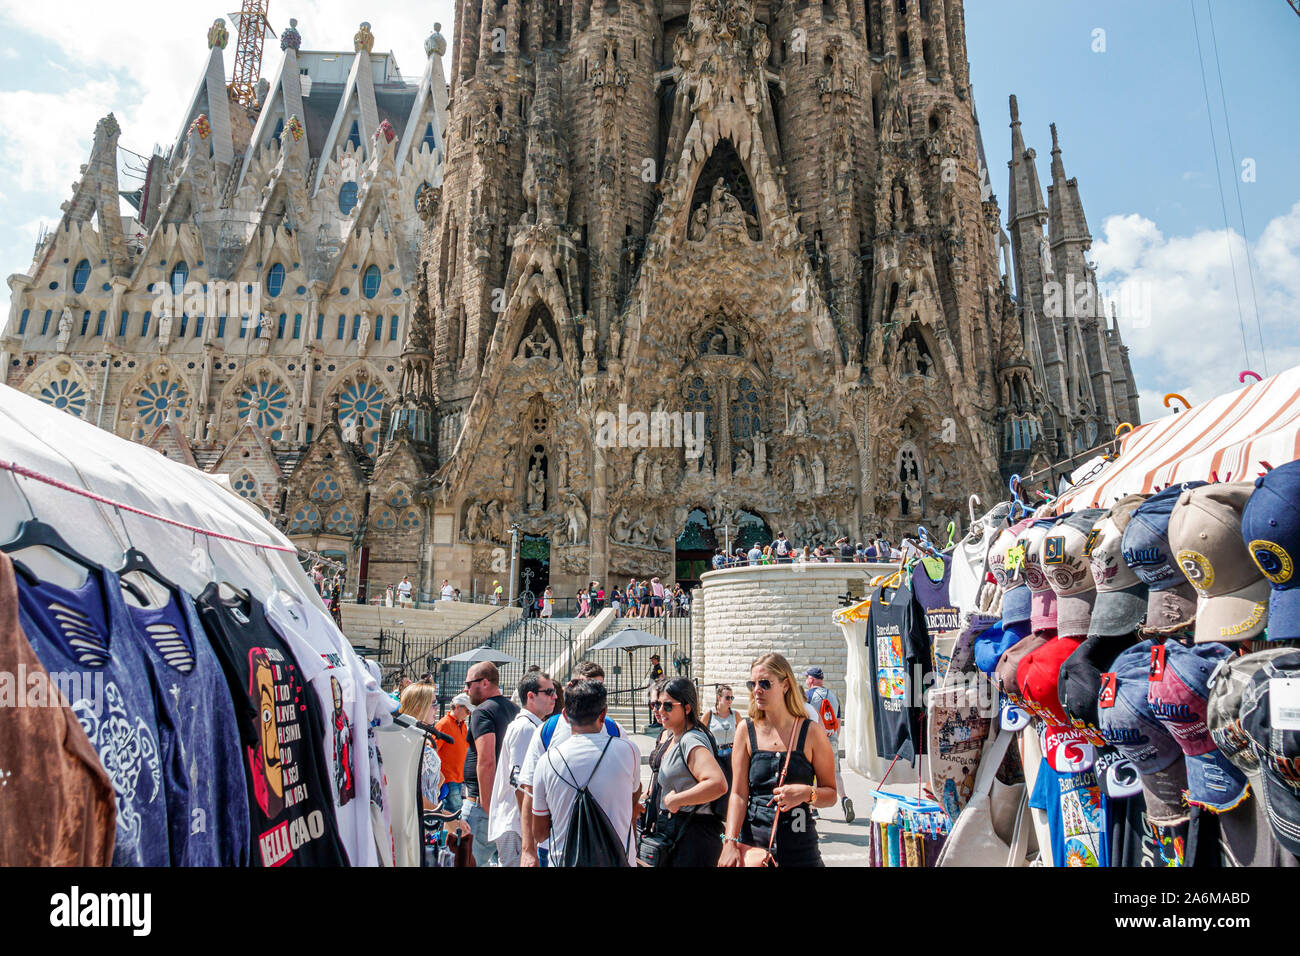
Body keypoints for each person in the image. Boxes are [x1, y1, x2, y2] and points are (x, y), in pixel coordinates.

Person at [720, 652, 837, 867]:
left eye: (765, 683)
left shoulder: (811, 732)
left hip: (800, 843)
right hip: (753, 844)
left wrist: (806, 793)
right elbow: (738, 793)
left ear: (785, 685)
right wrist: (729, 843)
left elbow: (830, 794)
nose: (757, 689)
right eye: (752, 684)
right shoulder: (746, 730)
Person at [518, 661, 624, 867]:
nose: (591, 694)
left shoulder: (616, 732)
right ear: (571, 688)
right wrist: (527, 850)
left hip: (609, 848)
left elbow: (630, 792)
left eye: (598, 688)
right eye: (585, 687)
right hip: (556, 848)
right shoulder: (548, 730)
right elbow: (529, 790)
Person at [531, 679, 641, 866]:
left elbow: (540, 833)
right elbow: (633, 796)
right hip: (618, 859)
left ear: (565, 715)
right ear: (604, 713)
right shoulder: (629, 751)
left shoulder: (547, 761)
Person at [646, 677, 728, 866]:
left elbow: (717, 783)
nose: (660, 711)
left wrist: (677, 800)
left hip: (693, 834)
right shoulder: (676, 737)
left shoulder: (691, 740)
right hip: (678, 829)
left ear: (687, 708)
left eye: (668, 706)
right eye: (658, 705)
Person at [488, 670, 556, 866]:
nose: (555, 696)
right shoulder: (525, 728)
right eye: (549, 692)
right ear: (531, 696)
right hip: (516, 826)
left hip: (519, 826)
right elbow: (520, 784)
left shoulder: (531, 727)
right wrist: (531, 837)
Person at [461, 661, 519, 866]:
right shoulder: (514, 709)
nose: (465, 689)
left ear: (484, 682)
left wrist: (488, 806)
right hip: (506, 804)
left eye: (469, 683)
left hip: (482, 805)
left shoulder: (482, 712)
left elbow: (486, 760)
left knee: (466, 861)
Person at [804, 666, 853, 822]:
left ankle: (814, 808)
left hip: (815, 739)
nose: (806, 681)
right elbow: (838, 721)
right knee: (836, 772)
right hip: (832, 739)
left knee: (813, 773)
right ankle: (844, 798)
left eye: (807, 678)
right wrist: (834, 739)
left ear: (811, 679)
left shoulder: (808, 696)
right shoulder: (833, 695)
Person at [434, 693, 472, 814]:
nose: (469, 714)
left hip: (458, 777)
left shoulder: (463, 725)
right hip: (448, 777)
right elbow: (432, 749)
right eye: (467, 710)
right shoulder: (444, 724)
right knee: (455, 812)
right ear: (457, 707)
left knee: (452, 811)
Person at [703, 684, 738, 762]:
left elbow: (744, 733)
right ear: (719, 698)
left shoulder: (735, 714)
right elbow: (699, 733)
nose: (730, 700)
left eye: (732, 698)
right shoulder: (709, 714)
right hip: (713, 754)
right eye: (727, 698)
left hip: (731, 755)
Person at [646, 653, 665, 728]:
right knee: (653, 705)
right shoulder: (655, 668)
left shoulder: (658, 668)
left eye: (653, 659)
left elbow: (661, 677)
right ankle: (655, 722)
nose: (652, 661)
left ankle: (658, 722)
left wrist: (656, 685)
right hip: (652, 688)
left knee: (655, 705)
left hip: (655, 689)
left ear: (656, 660)